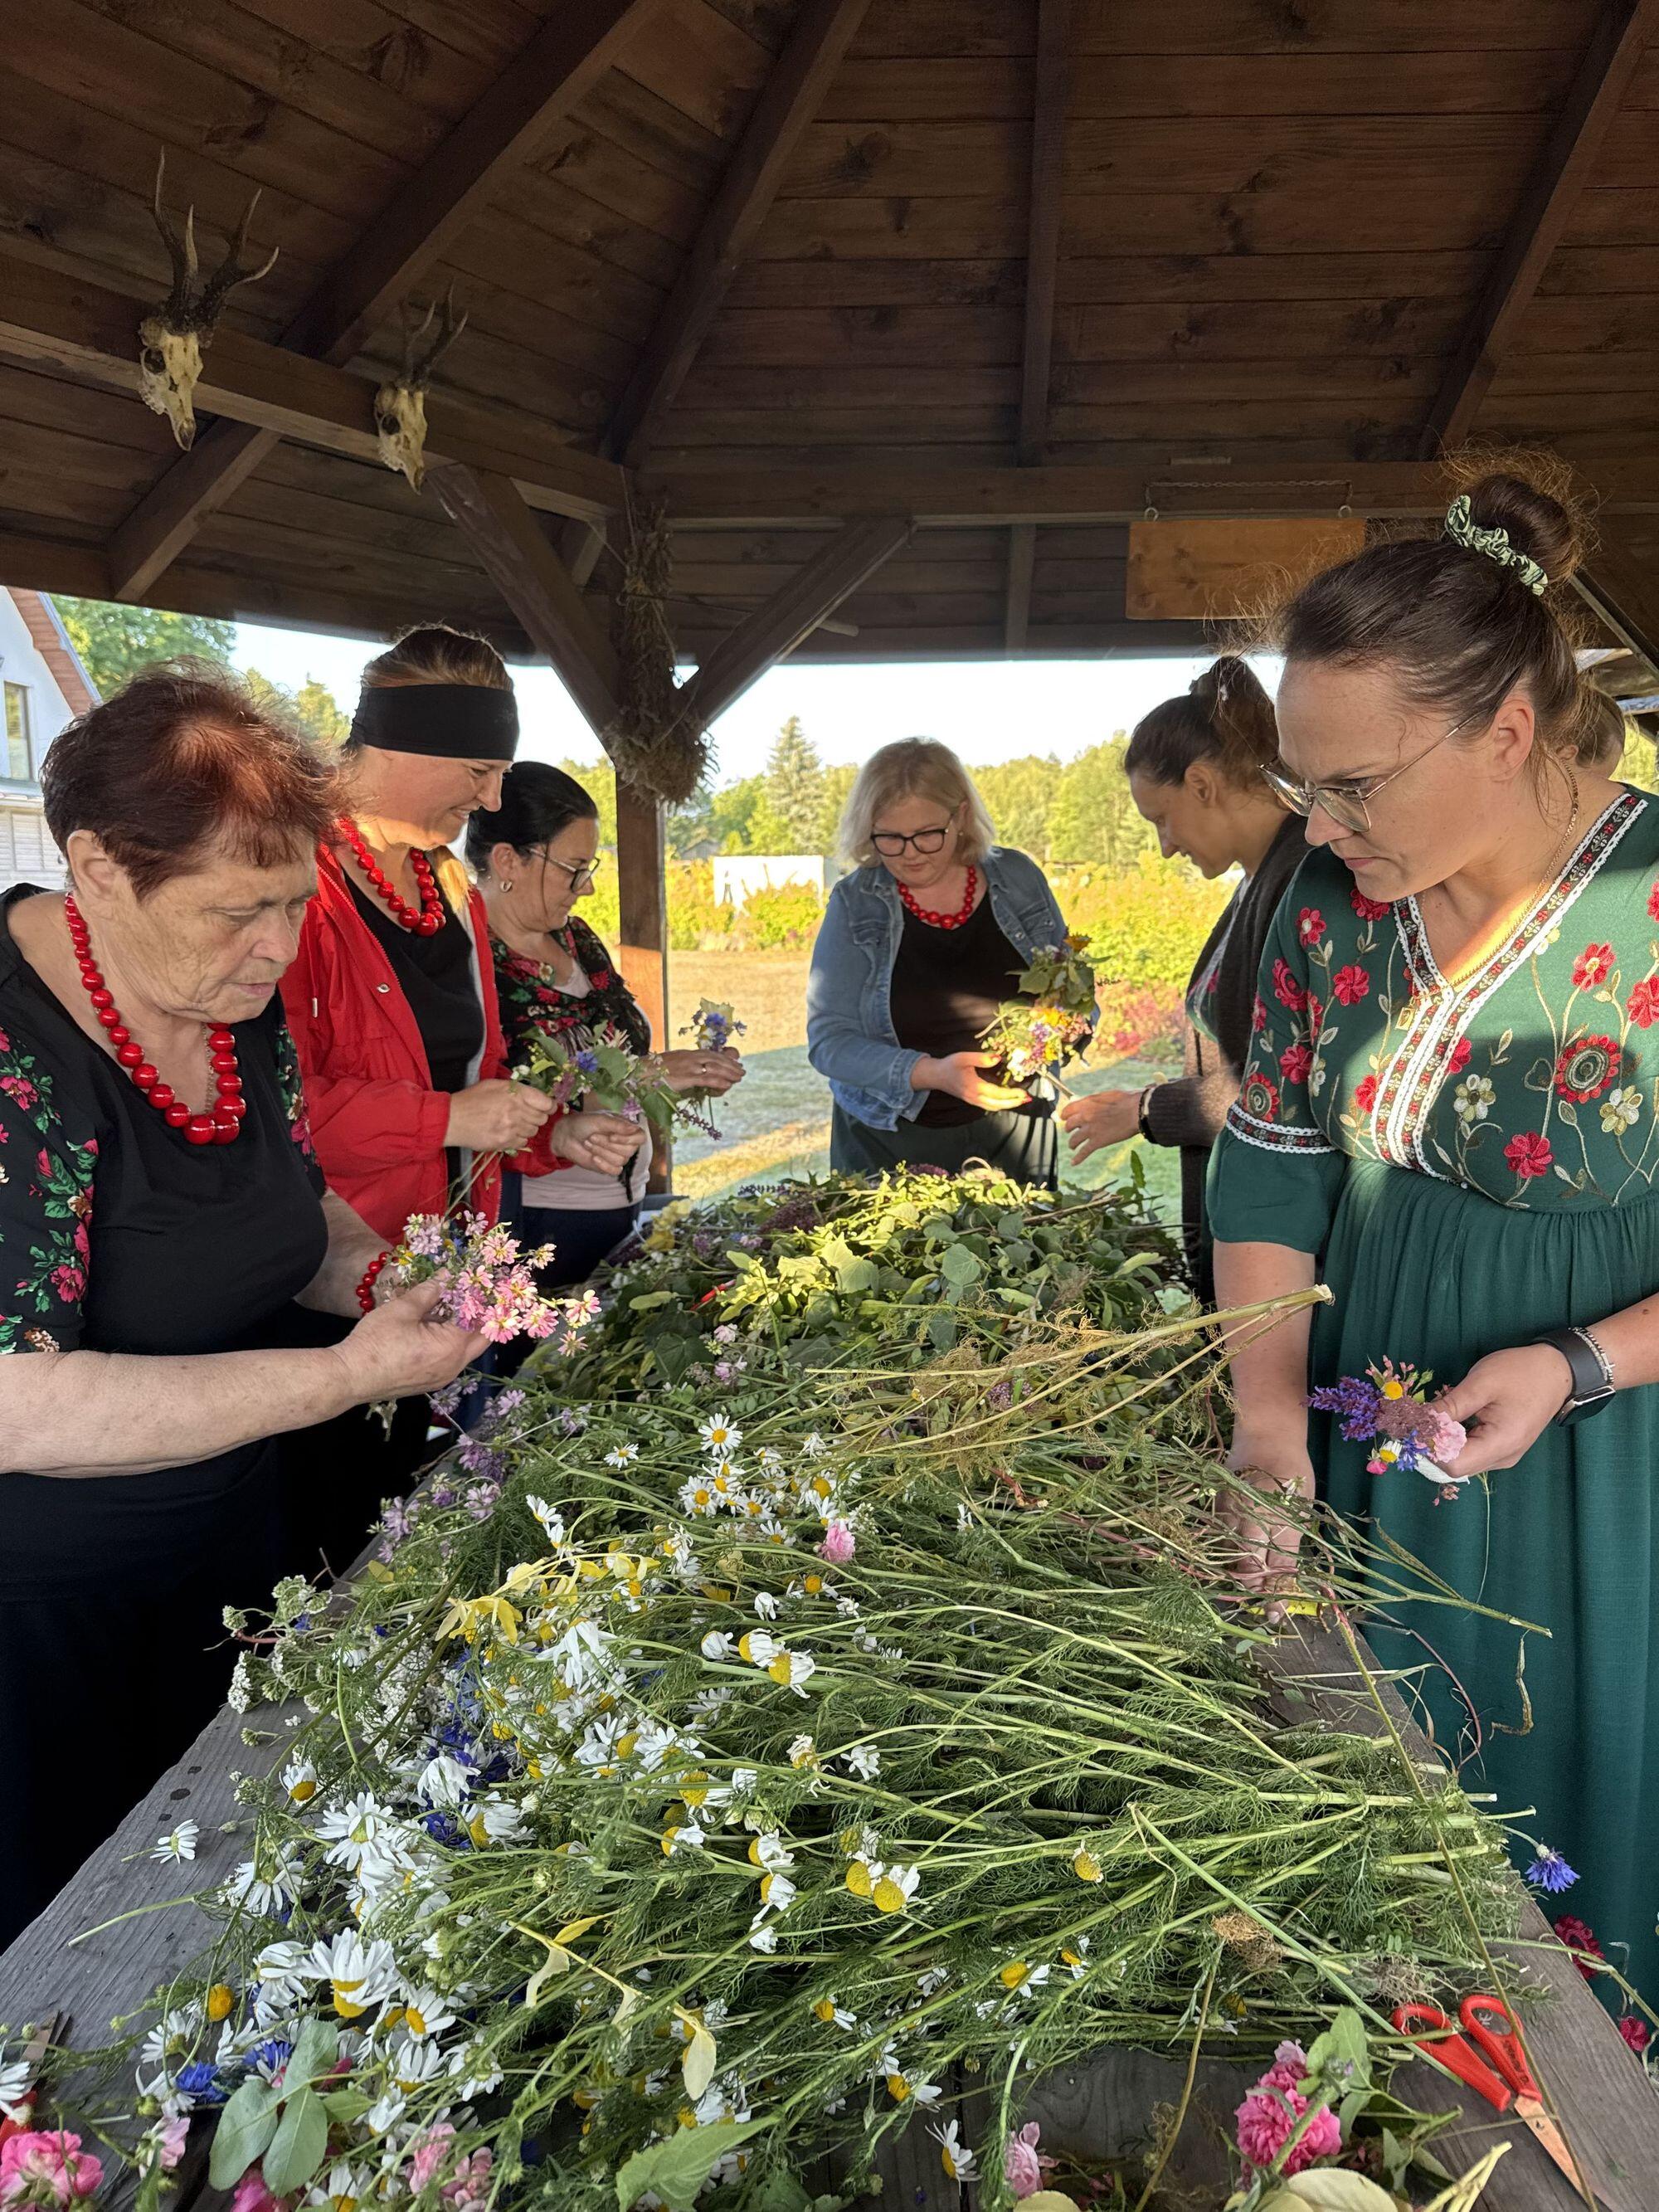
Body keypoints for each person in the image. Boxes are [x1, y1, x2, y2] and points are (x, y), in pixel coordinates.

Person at [1207, 462, 1659, 1999]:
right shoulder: (1332, 909)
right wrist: (1271, 1418)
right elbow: (1274, 1167)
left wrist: (1584, 1363)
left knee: (1571, 1803)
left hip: (1603, 1465)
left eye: (1355, 784)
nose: (1318, 823)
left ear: (1508, 732)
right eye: (1300, 784)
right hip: (1370, 1439)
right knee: (1379, 1813)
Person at [0, 666, 488, 1946]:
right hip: (48, 1621)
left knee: (239, 1892)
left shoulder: (233, 1011)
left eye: (293, 904)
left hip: (229, 1552)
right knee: (82, 1947)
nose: (278, 947)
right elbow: (17, 1399)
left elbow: (292, 1217)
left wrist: (385, 1280)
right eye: (237, 911)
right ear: (99, 869)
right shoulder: (14, 1048)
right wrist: (343, 1375)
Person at [279, 627, 638, 1560]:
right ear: (400, 747)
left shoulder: (448, 887)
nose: (490, 800)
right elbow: (277, 1111)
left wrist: (549, 1137)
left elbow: (481, 1077)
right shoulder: (295, 883)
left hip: (435, 1267)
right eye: (479, 771)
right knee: (329, 1530)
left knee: (405, 1510)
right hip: (323, 1278)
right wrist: (445, 1118)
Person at [1060, 658, 1304, 1300]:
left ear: (1202, 784)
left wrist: (1146, 1111)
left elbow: (1278, 1088)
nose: (1166, 845)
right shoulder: (1260, 878)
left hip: (1281, 1254)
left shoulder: (1298, 879)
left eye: (1160, 818)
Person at [469, 762, 741, 1290]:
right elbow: (506, 1094)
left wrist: (688, 1076)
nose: (588, 887)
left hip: (616, 1203)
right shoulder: (468, 961)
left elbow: (613, 1057)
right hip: (534, 1220)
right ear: (507, 860)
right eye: (573, 869)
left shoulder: (575, 938)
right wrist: (650, 1073)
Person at [807, 738, 1077, 1188]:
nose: (911, 853)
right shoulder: (856, 902)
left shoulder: (1018, 878)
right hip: (888, 1136)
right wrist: (933, 1074)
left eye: (928, 834)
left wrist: (1061, 1030)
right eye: (890, 838)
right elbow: (829, 1043)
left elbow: (1070, 991)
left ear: (962, 817)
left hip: (1016, 1127)